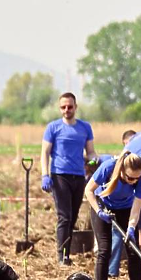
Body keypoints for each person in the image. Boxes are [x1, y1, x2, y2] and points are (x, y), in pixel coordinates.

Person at [41, 92, 98, 265]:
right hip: (60, 175)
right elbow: (45, 152)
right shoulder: (53, 128)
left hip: (79, 176)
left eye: (70, 107)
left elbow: (91, 152)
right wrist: (45, 174)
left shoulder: (84, 127)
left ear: (75, 107)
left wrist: (94, 160)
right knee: (64, 216)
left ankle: (66, 252)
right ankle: (62, 255)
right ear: (60, 108)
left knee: (73, 217)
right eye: (63, 107)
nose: (67, 110)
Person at [86, 151, 141, 280]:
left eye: (137, 178)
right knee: (105, 249)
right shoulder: (108, 168)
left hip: (126, 209)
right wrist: (99, 211)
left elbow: (136, 210)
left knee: (133, 250)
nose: (134, 181)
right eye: (131, 178)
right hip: (102, 206)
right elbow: (89, 190)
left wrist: (131, 227)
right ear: (122, 171)